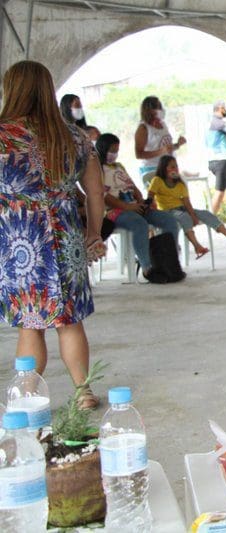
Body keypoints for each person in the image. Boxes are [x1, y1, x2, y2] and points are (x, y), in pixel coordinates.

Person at [0, 61, 106, 409]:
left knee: (30, 324)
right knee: (69, 321)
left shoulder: (3, 135)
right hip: (64, 239)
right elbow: (95, 192)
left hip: (18, 241)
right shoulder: (74, 137)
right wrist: (93, 232)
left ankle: (29, 396)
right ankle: (83, 392)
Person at [96, 133, 181, 280]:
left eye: (117, 150)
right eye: (112, 150)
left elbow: (132, 186)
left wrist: (141, 201)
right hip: (115, 211)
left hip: (135, 206)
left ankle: (168, 262)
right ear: (103, 149)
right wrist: (127, 207)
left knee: (169, 220)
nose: (114, 154)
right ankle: (148, 268)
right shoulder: (97, 169)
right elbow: (105, 196)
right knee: (139, 224)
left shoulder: (118, 166)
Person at [148, 155, 226, 257]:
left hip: (183, 208)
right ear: (164, 168)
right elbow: (150, 196)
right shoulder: (157, 180)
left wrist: (193, 215)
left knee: (206, 214)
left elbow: (186, 201)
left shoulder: (180, 184)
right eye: (172, 167)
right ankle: (197, 246)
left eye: (176, 166)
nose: (175, 169)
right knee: (184, 217)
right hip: (167, 211)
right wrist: (152, 208)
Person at [134, 95, 186, 177]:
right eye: (158, 107)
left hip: (168, 168)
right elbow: (139, 154)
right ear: (149, 110)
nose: (161, 110)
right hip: (152, 169)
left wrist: (178, 144)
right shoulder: (143, 128)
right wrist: (161, 151)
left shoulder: (163, 124)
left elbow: (166, 148)